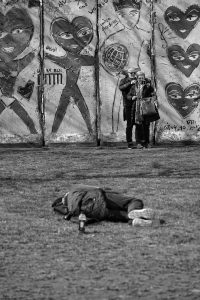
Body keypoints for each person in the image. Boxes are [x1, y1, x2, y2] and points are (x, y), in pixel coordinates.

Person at [52, 184, 163, 227]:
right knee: (134, 201)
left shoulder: (71, 209)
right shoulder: (75, 189)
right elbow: (97, 189)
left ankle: (137, 221)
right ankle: (134, 211)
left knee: (122, 216)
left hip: (96, 213)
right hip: (98, 198)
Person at [126, 70, 155, 149]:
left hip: (146, 107)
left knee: (146, 125)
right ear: (137, 78)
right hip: (137, 108)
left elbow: (153, 93)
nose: (141, 79)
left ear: (144, 78)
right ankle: (139, 143)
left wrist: (150, 88)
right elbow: (128, 96)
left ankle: (146, 143)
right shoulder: (133, 87)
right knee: (138, 126)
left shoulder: (147, 86)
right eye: (139, 78)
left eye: (142, 77)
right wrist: (132, 97)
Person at [119, 67, 140, 149]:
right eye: (131, 73)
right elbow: (121, 88)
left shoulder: (138, 79)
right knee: (129, 124)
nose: (133, 74)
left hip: (138, 104)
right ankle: (129, 143)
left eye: (134, 73)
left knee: (139, 123)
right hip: (128, 104)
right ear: (128, 73)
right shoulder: (124, 80)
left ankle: (139, 142)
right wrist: (130, 83)